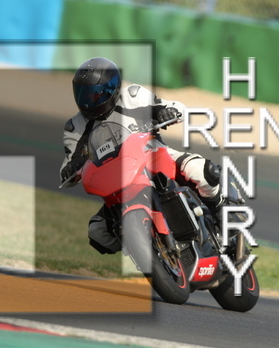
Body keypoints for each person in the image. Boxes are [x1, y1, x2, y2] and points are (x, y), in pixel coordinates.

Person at [60, 57, 223, 255]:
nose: (88, 102)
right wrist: (70, 168)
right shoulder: (75, 126)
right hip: (115, 180)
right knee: (97, 233)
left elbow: (174, 107)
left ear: (112, 88)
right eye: (84, 95)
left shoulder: (133, 96)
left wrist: (166, 112)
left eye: (95, 94)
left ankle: (221, 214)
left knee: (203, 172)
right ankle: (142, 246)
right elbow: (71, 163)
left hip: (154, 156)